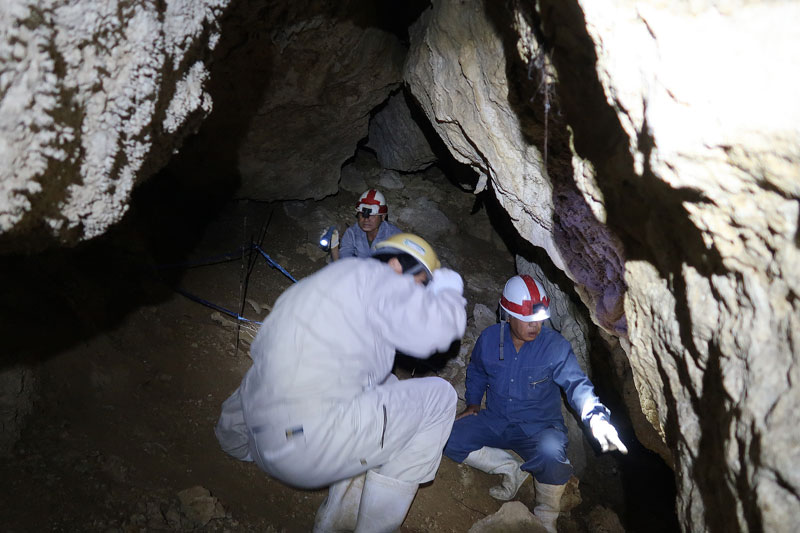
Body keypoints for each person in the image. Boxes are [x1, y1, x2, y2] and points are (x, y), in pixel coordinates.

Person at [215, 233, 467, 533]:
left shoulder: (318, 287)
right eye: (422, 284)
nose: (421, 296)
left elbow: (262, 372)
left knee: (384, 383)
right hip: (309, 453)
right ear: (398, 266)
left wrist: (234, 440)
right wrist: (449, 289)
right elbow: (434, 333)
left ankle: (338, 511)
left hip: (259, 443)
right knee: (441, 397)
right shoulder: (379, 278)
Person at [443, 274, 627, 533]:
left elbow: (577, 385)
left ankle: (546, 518)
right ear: (508, 314)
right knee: (449, 437)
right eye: (528, 320)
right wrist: (473, 403)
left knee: (552, 455)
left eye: (539, 320)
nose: (535, 326)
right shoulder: (489, 339)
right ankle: (510, 468)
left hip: (539, 428)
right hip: (496, 421)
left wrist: (595, 416)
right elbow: (478, 370)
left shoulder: (554, 347)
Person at [329, 189, 402, 261]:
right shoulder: (352, 233)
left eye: (372, 215)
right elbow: (343, 264)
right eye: (362, 215)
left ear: (382, 217)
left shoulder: (395, 236)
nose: (366, 219)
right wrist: (334, 248)